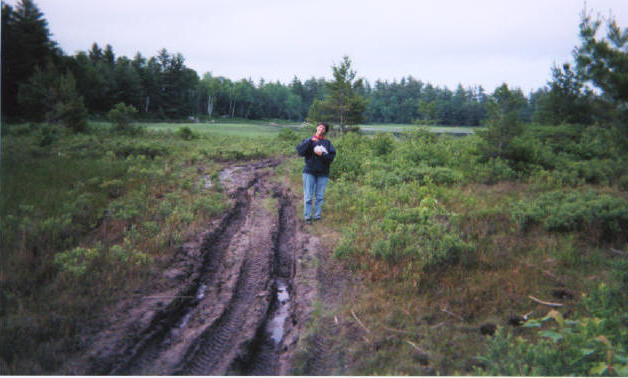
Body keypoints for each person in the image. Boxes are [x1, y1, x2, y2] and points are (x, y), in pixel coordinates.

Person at [296, 122, 336, 224]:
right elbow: (300, 152)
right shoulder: (309, 140)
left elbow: (331, 158)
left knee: (319, 196)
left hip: (323, 172)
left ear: (325, 131)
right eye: (320, 127)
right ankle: (307, 217)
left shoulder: (328, 143)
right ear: (317, 128)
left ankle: (317, 216)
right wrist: (309, 141)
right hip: (309, 171)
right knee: (308, 196)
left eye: (323, 128)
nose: (321, 129)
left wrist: (322, 154)